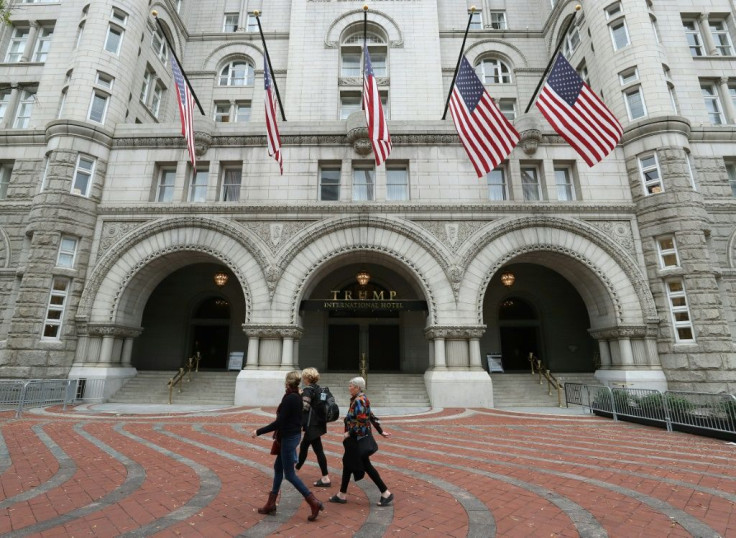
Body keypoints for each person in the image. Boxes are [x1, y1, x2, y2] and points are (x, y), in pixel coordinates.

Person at [251, 370, 324, 521]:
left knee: (289, 474)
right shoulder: (296, 395)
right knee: (278, 468)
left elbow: (279, 422)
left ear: (288, 382)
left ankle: (313, 501)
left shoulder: (291, 398)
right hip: (290, 436)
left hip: (289, 437)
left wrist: (259, 431)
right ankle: (271, 503)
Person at [329, 376, 394, 506]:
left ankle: (385, 493)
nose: (349, 388)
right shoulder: (360, 399)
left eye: (351, 385)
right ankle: (342, 494)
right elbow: (370, 415)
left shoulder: (359, 400)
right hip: (357, 438)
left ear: (357, 387)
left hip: (357, 439)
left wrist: (350, 432)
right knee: (349, 464)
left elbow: (363, 420)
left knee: (364, 465)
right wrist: (380, 431)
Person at [295, 367, 331, 487]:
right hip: (319, 423)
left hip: (312, 425)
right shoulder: (320, 389)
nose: (303, 379)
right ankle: (297, 469)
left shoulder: (308, 390)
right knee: (311, 448)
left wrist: (300, 396)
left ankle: (325, 478)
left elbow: (304, 407)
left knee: (311, 449)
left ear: (307, 378)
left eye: (304, 377)